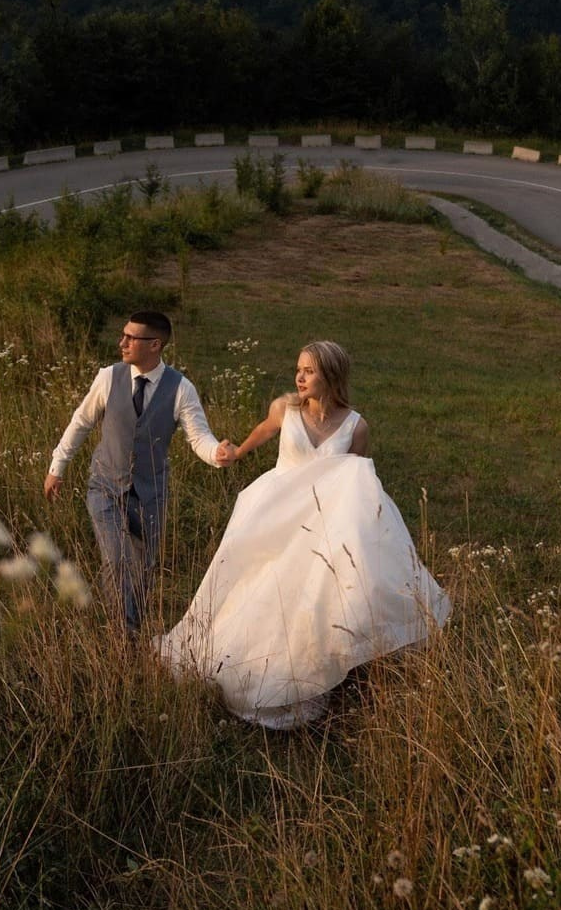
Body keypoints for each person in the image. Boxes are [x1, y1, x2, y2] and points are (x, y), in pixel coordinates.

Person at [158, 340, 450, 728]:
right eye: (298, 368)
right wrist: (234, 452)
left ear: (330, 375)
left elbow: (357, 481)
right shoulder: (285, 410)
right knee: (263, 586)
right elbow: (262, 432)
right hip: (278, 511)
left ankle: (315, 667)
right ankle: (253, 667)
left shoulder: (355, 426)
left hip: (324, 521)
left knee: (316, 593)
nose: (299, 376)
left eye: (309, 370)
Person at [46, 310, 236, 632]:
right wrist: (57, 467)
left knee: (142, 571)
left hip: (151, 495)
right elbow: (81, 423)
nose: (122, 342)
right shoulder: (109, 377)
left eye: (131, 338)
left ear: (155, 345)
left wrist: (217, 454)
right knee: (117, 560)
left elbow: (199, 437)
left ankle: (132, 626)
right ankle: (125, 638)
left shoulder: (181, 389)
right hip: (105, 486)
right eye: (124, 335)